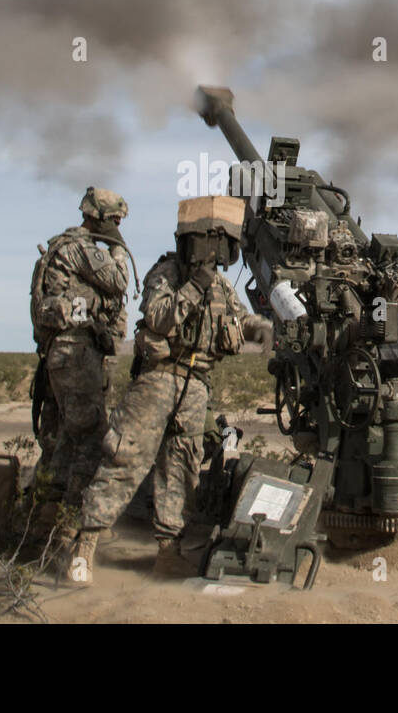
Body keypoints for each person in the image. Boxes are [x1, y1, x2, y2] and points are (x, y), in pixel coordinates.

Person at [64, 196, 271, 585]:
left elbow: (238, 317)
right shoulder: (168, 272)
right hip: (159, 378)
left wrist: (258, 327)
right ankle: (84, 546)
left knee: (181, 469)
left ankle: (168, 552)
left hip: (197, 385)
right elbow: (157, 317)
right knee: (126, 457)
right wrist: (193, 287)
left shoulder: (222, 284)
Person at [21, 187, 131, 541]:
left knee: (62, 440)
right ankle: (71, 529)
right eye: (115, 220)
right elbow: (118, 281)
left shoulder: (58, 246)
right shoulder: (81, 248)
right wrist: (117, 244)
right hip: (76, 352)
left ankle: (40, 524)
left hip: (58, 354)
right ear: (100, 217)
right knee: (89, 440)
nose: (117, 226)